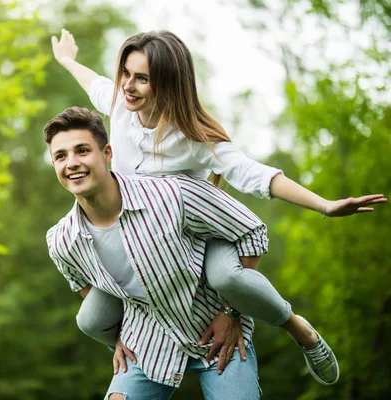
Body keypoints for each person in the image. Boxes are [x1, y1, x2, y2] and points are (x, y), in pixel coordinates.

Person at [50, 29, 387, 386]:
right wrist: (68, 60)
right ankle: (135, 351)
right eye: (126, 74)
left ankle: (297, 326)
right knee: (90, 319)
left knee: (226, 277)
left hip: (202, 234)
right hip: (148, 240)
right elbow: (95, 83)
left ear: (166, 84)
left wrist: (324, 205)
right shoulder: (120, 106)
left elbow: (257, 176)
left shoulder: (192, 138)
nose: (129, 86)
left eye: (142, 79)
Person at [45, 106, 267, 399]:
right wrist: (119, 338)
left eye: (82, 151)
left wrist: (231, 311)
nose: (72, 163)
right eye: (61, 156)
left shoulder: (170, 194)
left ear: (107, 153)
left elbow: (250, 230)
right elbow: (85, 285)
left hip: (218, 336)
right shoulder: (62, 241)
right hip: (146, 346)